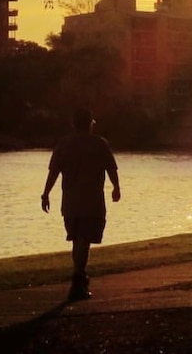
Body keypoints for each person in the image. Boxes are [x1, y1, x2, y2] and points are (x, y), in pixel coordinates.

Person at [42, 108, 121, 301]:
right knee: (84, 240)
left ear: (74, 124)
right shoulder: (100, 144)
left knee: (77, 239)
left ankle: (79, 277)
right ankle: (78, 279)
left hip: (70, 201)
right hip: (92, 201)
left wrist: (46, 194)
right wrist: (116, 187)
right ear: (90, 124)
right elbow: (111, 168)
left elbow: (54, 171)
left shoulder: (64, 144)